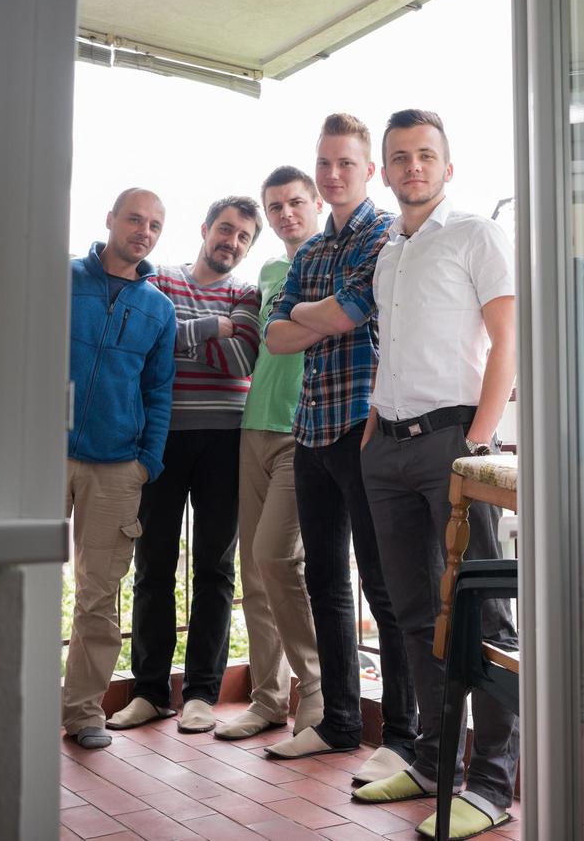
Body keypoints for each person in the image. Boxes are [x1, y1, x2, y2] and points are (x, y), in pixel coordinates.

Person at [353, 109, 519, 839]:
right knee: (414, 611)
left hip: (455, 441)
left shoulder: (478, 235)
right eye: (398, 157)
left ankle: (491, 785)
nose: (411, 167)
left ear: (446, 169)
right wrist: (368, 432)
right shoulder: (388, 253)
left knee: (482, 612)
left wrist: (477, 444)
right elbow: (393, 351)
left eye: (425, 155)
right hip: (385, 447)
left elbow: (508, 338)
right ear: (383, 172)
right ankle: (430, 763)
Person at [262, 114, 418, 786]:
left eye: (344, 164)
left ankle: (406, 738)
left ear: (368, 171)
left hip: (362, 431)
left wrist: (308, 315)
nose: (331, 175)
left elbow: (350, 314)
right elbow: (272, 336)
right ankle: (340, 723)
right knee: (323, 579)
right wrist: (309, 315)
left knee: (383, 586)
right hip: (311, 431)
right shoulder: (309, 253)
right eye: (323, 163)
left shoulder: (383, 235)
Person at [107, 197, 262, 734]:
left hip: (227, 441)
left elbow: (243, 359)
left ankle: (201, 692)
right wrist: (213, 328)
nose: (232, 242)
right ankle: (150, 692)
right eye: (225, 229)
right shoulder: (164, 281)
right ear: (205, 229)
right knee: (152, 565)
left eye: (243, 237)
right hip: (163, 439)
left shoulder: (248, 293)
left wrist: (194, 333)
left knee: (216, 570)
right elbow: (151, 342)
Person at [213, 166, 328, 741]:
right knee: (254, 570)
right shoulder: (270, 269)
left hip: (302, 431)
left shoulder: (334, 262)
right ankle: (266, 699)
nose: (286, 214)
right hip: (252, 426)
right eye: (276, 206)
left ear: (315, 203)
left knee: (278, 559)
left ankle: (317, 693)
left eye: (295, 202)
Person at [63, 188, 177, 750]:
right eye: (135, 218)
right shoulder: (60, 279)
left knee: (99, 595)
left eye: (155, 224)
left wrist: (145, 464)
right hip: (43, 454)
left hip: (116, 469)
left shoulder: (159, 309)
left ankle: (83, 711)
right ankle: (10, 698)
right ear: (110, 219)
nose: (144, 230)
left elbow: (159, 393)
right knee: (21, 580)